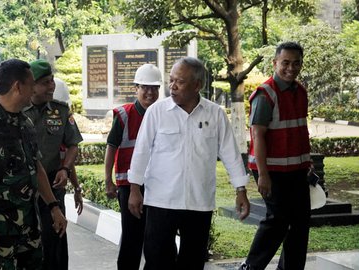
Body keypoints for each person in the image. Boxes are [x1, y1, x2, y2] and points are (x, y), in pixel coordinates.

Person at [128, 57, 250, 270]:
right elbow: (141, 151)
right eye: (171, 80)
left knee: (192, 262)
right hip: (161, 201)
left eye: (180, 82)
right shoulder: (156, 112)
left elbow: (230, 153)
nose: (172, 87)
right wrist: (134, 189)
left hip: (198, 201)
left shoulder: (215, 114)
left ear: (197, 85)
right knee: (157, 261)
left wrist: (240, 189)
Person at [0, 59, 68, 270]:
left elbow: (37, 168)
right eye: (31, 84)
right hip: (1, 233)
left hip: (30, 229)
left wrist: (53, 206)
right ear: (17, 87)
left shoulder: (25, 123)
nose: (33, 90)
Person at [240, 42, 311, 270]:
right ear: (275, 63)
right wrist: (263, 175)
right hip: (271, 170)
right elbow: (258, 136)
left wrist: (307, 165)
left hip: (297, 170)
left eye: (296, 63)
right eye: (285, 63)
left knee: (300, 223)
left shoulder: (300, 91)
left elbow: (299, 132)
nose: (291, 68)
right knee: (277, 221)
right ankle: (251, 266)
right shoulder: (265, 94)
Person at [23, 59, 83, 270]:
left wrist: (65, 169)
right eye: (46, 82)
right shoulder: (18, 111)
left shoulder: (61, 110)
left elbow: (73, 144)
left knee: (56, 239)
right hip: (24, 187)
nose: (52, 86)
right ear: (32, 85)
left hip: (53, 183)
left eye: (52, 81)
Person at [104, 63, 161, 270]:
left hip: (157, 185)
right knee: (132, 236)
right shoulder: (124, 114)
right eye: (144, 87)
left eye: (154, 88)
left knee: (155, 238)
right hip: (128, 186)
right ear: (136, 88)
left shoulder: (163, 113)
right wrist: (108, 181)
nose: (149, 92)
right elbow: (111, 148)